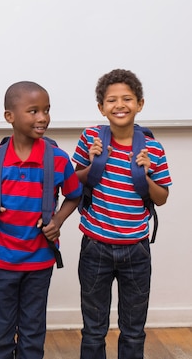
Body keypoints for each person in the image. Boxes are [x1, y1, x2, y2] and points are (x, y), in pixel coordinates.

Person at [72, 69, 172, 359]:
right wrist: (92, 163)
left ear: (140, 104)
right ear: (101, 107)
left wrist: (145, 173)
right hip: (95, 246)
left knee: (133, 329)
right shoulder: (90, 137)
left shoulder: (152, 147)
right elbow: (73, 180)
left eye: (127, 99)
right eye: (111, 100)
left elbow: (162, 197)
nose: (120, 105)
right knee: (93, 329)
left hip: (136, 250)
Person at [0, 81, 82, 359]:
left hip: (39, 260)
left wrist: (58, 220)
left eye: (46, 110)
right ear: (9, 117)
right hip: (0, 259)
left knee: (33, 329)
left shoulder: (59, 159)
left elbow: (74, 195)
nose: (43, 117)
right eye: (33, 111)